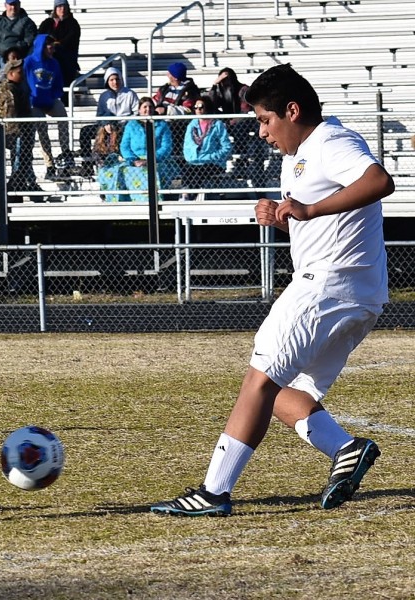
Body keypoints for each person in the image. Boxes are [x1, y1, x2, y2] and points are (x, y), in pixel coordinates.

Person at [148, 63, 394, 517]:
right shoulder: (299, 155)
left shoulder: (331, 141)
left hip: (326, 285)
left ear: (292, 111)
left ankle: (213, 493)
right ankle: (347, 449)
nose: (262, 132)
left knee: (258, 380)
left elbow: (379, 181)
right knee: (280, 395)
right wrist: (282, 216)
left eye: (265, 120)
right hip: (357, 292)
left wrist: (309, 209)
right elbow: (318, 217)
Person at [98, 96, 176, 202]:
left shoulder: (162, 125)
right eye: (145, 107)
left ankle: (153, 201)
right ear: (139, 110)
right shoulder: (131, 125)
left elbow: (166, 147)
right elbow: (124, 146)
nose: (148, 109)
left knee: (152, 171)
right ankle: (123, 200)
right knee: (122, 171)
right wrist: (133, 160)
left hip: (157, 159)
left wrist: (151, 159)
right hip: (135, 160)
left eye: (150, 107)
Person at [24, 33, 75, 180]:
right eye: (50, 47)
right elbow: (22, 80)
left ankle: (66, 153)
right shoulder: (29, 62)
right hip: (34, 102)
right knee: (42, 130)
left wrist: (53, 95)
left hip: (49, 99)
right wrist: (28, 97)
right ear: (42, 47)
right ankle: (49, 164)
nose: (53, 50)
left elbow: (58, 83)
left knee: (64, 118)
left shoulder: (54, 63)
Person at [78, 67, 139, 177]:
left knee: (121, 133)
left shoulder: (130, 94)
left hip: (124, 125)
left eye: (117, 79)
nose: (115, 82)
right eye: (111, 80)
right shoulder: (104, 96)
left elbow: (137, 113)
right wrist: (105, 123)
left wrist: (124, 122)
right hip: (107, 125)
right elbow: (99, 115)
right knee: (85, 131)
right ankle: (87, 164)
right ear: (107, 81)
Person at [0, 59, 42, 202]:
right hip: (18, 131)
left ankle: (25, 187)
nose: (22, 74)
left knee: (24, 160)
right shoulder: (8, 89)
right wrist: (15, 132)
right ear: (10, 73)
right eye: (19, 72)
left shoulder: (18, 86)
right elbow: (10, 112)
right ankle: (14, 190)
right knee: (20, 161)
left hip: (24, 129)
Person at [209, 67, 266, 180]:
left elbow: (245, 110)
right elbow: (210, 103)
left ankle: (242, 165)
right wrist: (214, 85)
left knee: (240, 131)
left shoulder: (243, 89)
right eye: (222, 80)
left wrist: (233, 120)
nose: (225, 83)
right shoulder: (221, 91)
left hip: (245, 123)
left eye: (227, 79)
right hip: (228, 122)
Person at [180, 95, 233, 201]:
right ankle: (186, 195)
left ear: (207, 108)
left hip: (213, 162)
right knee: (188, 169)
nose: (198, 110)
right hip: (195, 161)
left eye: (201, 107)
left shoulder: (217, 125)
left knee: (198, 171)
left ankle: (188, 196)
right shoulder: (192, 125)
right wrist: (191, 158)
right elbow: (187, 146)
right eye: (196, 107)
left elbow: (227, 147)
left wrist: (211, 156)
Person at [37, 0, 81, 88]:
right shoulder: (47, 23)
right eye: (60, 6)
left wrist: (55, 44)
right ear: (55, 8)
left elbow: (70, 41)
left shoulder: (73, 24)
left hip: (66, 59)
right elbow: (40, 38)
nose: (62, 9)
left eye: (65, 6)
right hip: (48, 58)